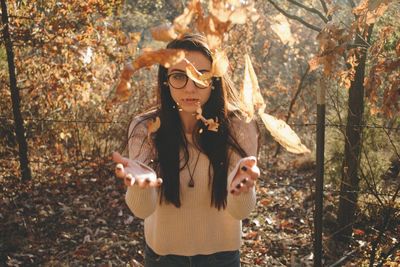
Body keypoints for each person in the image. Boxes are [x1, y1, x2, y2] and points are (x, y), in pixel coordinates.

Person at [113, 33, 260, 267]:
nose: (190, 87)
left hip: (221, 258)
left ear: (216, 80)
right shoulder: (146, 127)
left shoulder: (238, 125)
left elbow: (241, 212)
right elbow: (142, 210)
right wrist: (140, 187)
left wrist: (241, 191)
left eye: (201, 76)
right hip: (163, 258)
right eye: (179, 76)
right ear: (166, 80)